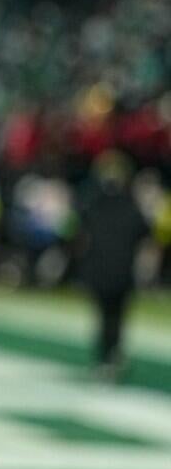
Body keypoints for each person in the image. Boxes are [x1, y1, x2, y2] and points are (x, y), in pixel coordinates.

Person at [76, 151, 151, 382]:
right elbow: (144, 235)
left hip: (102, 268)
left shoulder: (93, 202)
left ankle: (106, 358)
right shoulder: (130, 203)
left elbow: (80, 233)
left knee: (105, 317)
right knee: (115, 318)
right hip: (120, 270)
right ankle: (110, 357)